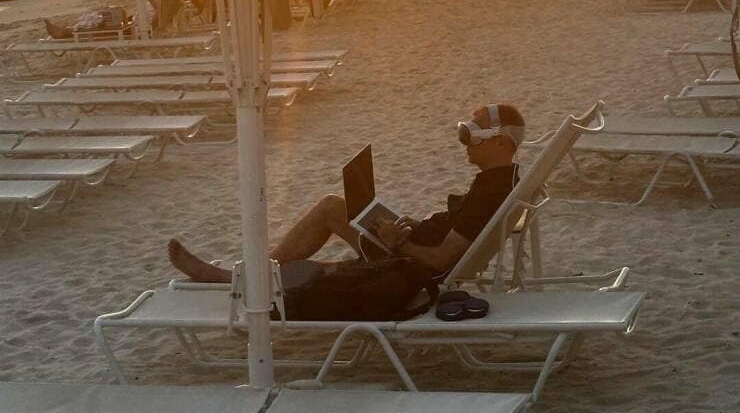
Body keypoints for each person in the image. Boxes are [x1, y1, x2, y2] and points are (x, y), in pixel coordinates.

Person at [168, 103, 526, 282]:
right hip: (410, 244)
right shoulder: (503, 181)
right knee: (332, 252)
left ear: (497, 143)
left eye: (469, 136)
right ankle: (256, 277)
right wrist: (408, 226)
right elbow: (457, 237)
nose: (463, 144)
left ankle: (250, 280)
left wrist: (398, 242)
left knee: (330, 209)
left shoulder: (490, 191)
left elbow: (441, 263)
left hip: (412, 266)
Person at [45, 5, 131, 40]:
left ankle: (64, 32)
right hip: (128, 29)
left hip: (124, 32)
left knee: (94, 30)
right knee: (96, 26)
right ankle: (65, 31)